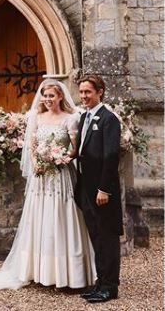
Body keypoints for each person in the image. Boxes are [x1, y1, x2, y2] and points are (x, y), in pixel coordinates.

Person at [0, 79, 95, 291]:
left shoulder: (70, 119)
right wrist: (37, 163)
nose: (47, 99)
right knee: (40, 217)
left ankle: (68, 273)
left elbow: (75, 149)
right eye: (45, 96)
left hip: (60, 176)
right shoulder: (36, 117)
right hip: (40, 178)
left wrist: (61, 159)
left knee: (61, 216)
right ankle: (39, 270)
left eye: (52, 96)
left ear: (60, 97)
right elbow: (32, 146)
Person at [75, 75, 122, 303]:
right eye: (81, 92)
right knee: (96, 237)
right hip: (86, 188)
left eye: (88, 92)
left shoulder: (109, 119)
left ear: (100, 92)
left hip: (102, 192)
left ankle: (110, 287)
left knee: (107, 238)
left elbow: (111, 157)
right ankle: (100, 283)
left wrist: (104, 189)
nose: (84, 96)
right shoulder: (84, 117)